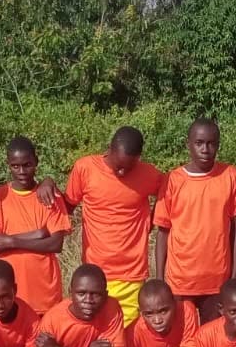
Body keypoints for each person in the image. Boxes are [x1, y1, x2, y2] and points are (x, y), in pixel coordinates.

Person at [58, 126, 164, 325]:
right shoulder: (85, 168)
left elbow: (170, 194)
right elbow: (66, 206)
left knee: (128, 338)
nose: (122, 171)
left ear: (139, 158)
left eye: (129, 167)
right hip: (94, 274)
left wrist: (153, 219)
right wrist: (46, 184)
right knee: (94, 335)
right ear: (109, 149)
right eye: (118, 165)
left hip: (131, 274)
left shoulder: (149, 174)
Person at [154, 119, 236, 320]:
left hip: (217, 280)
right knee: (181, 342)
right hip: (180, 281)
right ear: (188, 144)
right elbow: (163, 231)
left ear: (218, 144)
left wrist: (234, 274)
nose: (205, 149)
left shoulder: (230, 176)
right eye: (199, 143)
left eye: (211, 143)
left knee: (213, 342)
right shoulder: (173, 180)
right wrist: (160, 279)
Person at [0, 137, 71, 315]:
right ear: (8, 164)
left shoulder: (49, 197)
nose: (22, 171)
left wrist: (12, 241)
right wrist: (39, 233)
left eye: (27, 164)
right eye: (16, 166)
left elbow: (56, 244)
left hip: (46, 293)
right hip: (11, 295)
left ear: (36, 162)